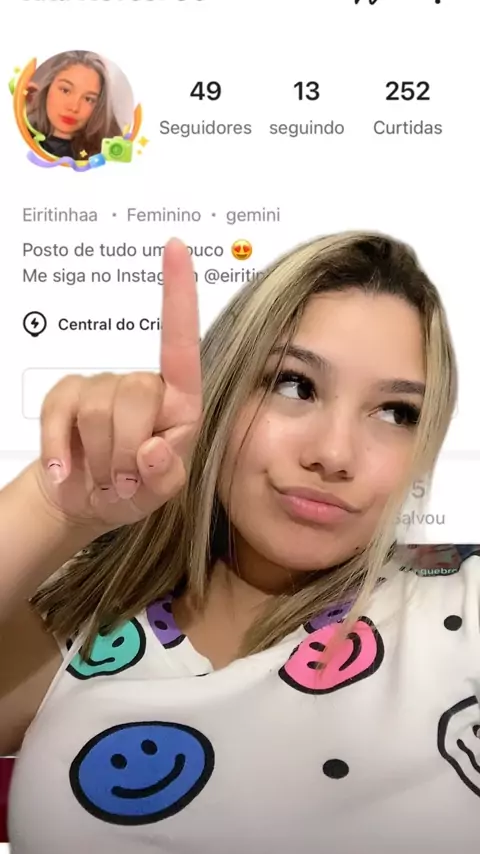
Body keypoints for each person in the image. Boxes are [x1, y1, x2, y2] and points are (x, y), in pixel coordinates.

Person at [0, 233, 478, 853]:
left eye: (395, 413)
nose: (334, 454)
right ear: (220, 395)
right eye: (295, 384)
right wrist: (50, 505)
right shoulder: (79, 629)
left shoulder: (461, 602)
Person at [25, 50, 122, 160]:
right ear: (48, 88)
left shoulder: (103, 156)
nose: (74, 107)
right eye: (65, 90)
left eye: (88, 99)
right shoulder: (22, 133)